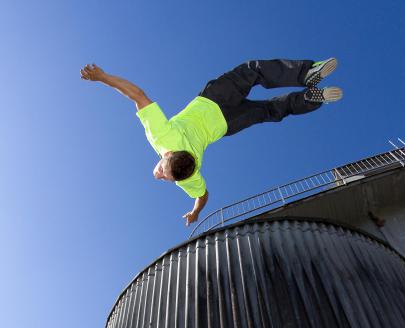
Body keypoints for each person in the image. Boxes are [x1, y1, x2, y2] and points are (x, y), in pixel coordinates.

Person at [80, 59, 342, 226]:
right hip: (215, 102)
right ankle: (308, 76)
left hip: (226, 123)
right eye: (164, 175)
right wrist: (103, 77)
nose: (160, 176)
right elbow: (137, 95)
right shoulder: (162, 138)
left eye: (162, 173)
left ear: (170, 156)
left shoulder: (188, 177)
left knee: (270, 111)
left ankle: (310, 99)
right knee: (254, 73)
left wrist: (195, 212)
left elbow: (203, 196)